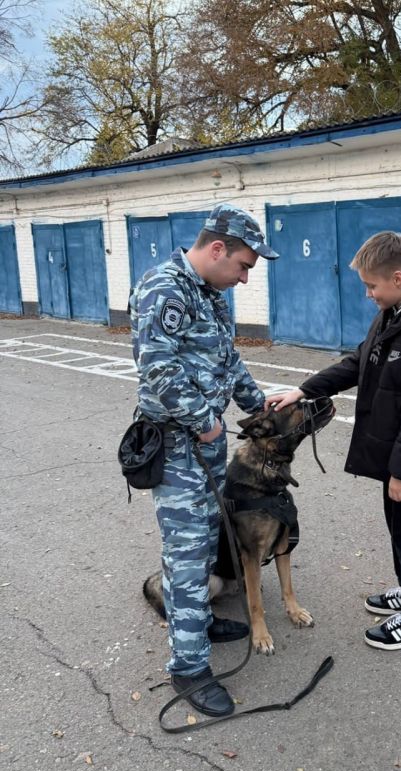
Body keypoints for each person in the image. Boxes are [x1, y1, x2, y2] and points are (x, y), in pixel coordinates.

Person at [268, 231, 401, 651]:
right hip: (396, 454)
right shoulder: (396, 312)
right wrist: (304, 391)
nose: (368, 294)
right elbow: (357, 363)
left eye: (372, 286)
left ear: (397, 277)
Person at [129, 203, 279, 715]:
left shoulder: (211, 294)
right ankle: (188, 668)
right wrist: (204, 419)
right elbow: (156, 366)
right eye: (243, 266)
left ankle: (200, 621)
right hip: (176, 445)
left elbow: (228, 359)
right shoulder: (163, 288)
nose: (243, 278)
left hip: (206, 444)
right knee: (188, 554)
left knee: (210, 535)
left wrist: (259, 406)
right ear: (218, 249)